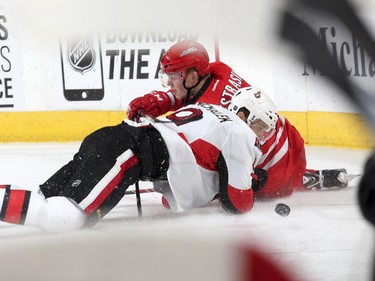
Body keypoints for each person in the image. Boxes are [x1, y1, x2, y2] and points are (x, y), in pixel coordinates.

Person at [128, 39, 351, 198]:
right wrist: (158, 101)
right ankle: (300, 176)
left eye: (173, 76)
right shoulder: (217, 69)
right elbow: (188, 94)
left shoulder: (211, 110)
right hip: (286, 137)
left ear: (194, 75)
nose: (168, 83)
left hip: (273, 171)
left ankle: (297, 178)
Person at [0, 102, 262, 232]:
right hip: (128, 152)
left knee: (42, 197)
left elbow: (179, 186)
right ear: (249, 115)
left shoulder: (210, 108)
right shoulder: (239, 132)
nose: (261, 136)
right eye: (262, 126)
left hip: (113, 139)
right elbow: (237, 202)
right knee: (64, 217)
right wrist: (253, 181)